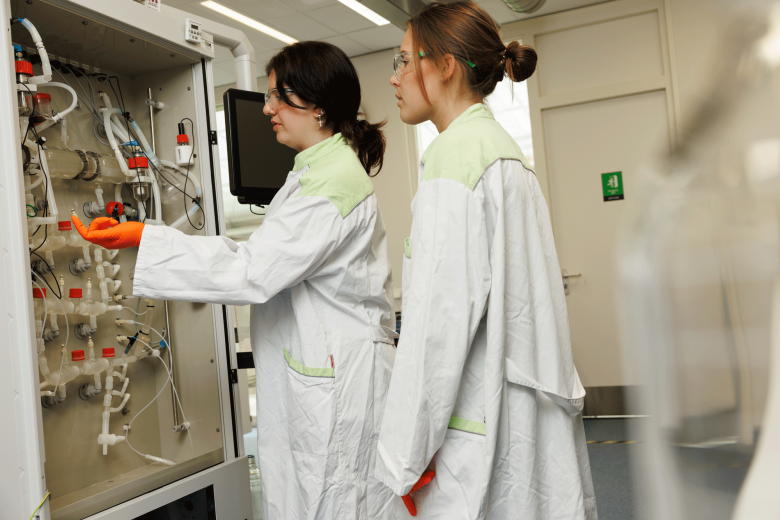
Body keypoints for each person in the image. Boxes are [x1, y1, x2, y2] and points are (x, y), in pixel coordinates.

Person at [73, 41, 398, 520]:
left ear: (319, 106)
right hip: (323, 371)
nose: (267, 108)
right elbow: (258, 258)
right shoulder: (312, 172)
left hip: (337, 380)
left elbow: (253, 270)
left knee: (334, 500)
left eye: (279, 96)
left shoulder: (331, 182)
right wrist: (147, 236)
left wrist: (147, 238)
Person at [376, 3, 598, 519]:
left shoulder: (455, 161)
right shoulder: (501, 150)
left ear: (446, 66)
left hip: (477, 429)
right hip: (515, 413)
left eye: (404, 60)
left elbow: (437, 328)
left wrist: (403, 457)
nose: (394, 77)